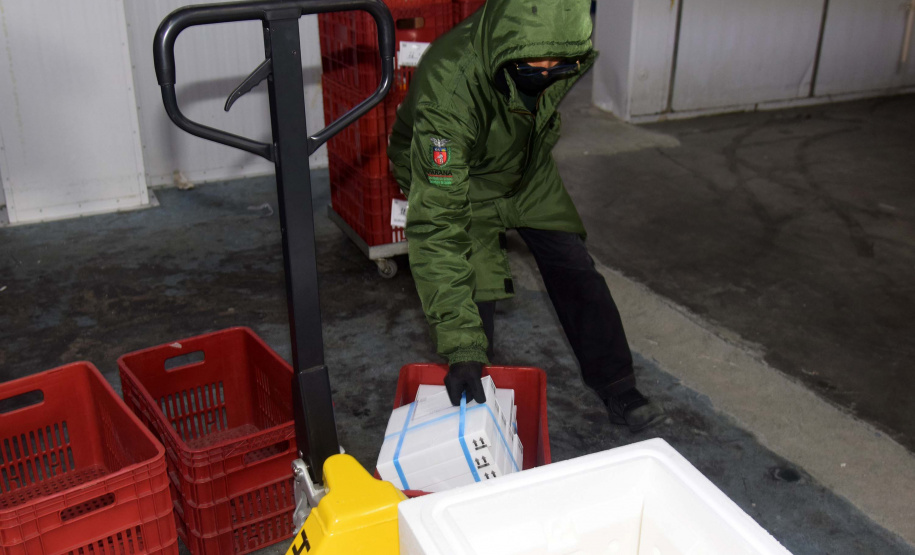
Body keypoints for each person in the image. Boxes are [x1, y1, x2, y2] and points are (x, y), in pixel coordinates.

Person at [387, 0, 665, 432]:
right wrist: (461, 346)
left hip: (523, 165)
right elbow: (437, 224)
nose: (549, 72)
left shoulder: (556, 50)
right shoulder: (450, 88)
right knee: (474, 293)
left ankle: (617, 385)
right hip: (460, 176)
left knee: (573, 265)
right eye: (537, 64)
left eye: (560, 65)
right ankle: (473, 408)